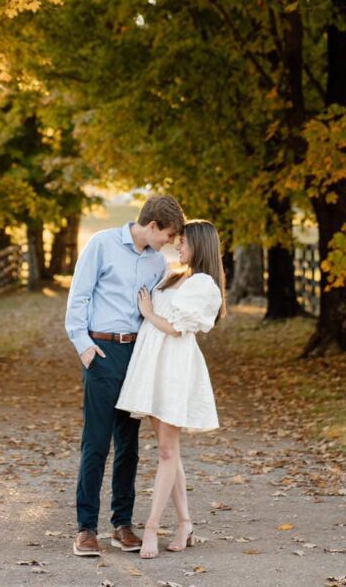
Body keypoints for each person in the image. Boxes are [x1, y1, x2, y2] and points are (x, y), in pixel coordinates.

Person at [65, 193, 185, 558]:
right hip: (102, 352)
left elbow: (159, 306)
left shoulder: (157, 262)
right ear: (151, 226)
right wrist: (84, 347)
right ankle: (86, 529)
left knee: (128, 445)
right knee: (97, 443)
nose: (168, 242)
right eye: (167, 235)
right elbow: (79, 297)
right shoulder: (102, 244)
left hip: (138, 355)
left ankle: (122, 525)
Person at [115, 219, 226, 559]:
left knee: (166, 451)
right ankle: (185, 522)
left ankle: (150, 528)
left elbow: (176, 329)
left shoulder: (205, 285)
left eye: (184, 242)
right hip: (152, 365)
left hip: (174, 366)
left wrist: (147, 311)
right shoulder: (178, 275)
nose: (178, 246)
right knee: (168, 450)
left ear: (200, 245)